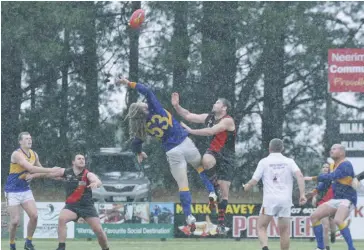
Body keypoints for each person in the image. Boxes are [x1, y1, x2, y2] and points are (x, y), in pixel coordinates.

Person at [116, 77, 216, 232]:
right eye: (142, 104)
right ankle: (211, 191)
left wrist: (140, 152)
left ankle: (189, 215)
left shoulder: (141, 126)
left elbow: (136, 142)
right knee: (200, 168)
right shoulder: (154, 108)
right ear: (144, 109)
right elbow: (147, 91)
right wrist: (129, 83)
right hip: (185, 142)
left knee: (183, 185)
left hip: (172, 152)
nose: (144, 103)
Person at [172, 92, 235, 234]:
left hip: (228, 157)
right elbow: (188, 115)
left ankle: (221, 224)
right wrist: (177, 106)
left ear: (224, 108)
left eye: (217, 103)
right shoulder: (209, 117)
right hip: (213, 152)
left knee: (224, 195)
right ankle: (215, 188)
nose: (214, 104)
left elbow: (211, 131)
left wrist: (191, 131)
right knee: (205, 160)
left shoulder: (228, 120)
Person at [28, 154, 109, 250]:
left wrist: (96, 183)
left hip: (87, 206)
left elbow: (97, 180)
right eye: (79, 158)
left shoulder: (88, 174)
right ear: (73, 162)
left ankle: (106, 248)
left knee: (98, 230)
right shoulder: (66, 172)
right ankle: (61, 247)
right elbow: (48, 174)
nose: (82, 160)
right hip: (72, 206)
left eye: (83, 159)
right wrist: (33, 175)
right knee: (62, 219)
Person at [243, 138, 307, 250]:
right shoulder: (289, 161)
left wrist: (246, 187)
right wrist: (302, 194)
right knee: (284, 232)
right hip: (285, 200)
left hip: (270, 200)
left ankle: (265, 247)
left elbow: (254, 181)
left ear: (269, 148)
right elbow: (300, 176)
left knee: (261, 227)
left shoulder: (264, 162)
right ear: (282, 148)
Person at [4, 132, 63, 250]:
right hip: (12, 191)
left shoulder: (34, 154)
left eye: (30, 138)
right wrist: (51, 170)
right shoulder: (17, 154)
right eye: (26, 139)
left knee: (34, 216)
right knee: (15, 221)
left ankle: (28, 243)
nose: (29, 140)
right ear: (20, 142)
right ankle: (12, 244)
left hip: (25, 190)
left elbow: (40, 171)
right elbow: (30, 169)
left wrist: (53, 175)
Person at [305, 144, 357, 250]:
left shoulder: (346, 164)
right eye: (331, 148)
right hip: (336, 199)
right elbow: (327, 181)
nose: (331, 150)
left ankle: (352, 248)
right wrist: (314, 192)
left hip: (348, 199)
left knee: (338, 220)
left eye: (334, 149)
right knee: (314, 216)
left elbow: (332, 176)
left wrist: (312, 178)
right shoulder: (333, 165)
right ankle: (320, 248)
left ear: (342, 152)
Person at [306, 163, 336, 249]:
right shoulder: (321, 178)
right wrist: (314, 197)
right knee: (325, 227)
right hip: (322, 203)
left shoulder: (331, 177)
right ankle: (326, 247)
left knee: (332, 224)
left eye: (327, 167)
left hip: (333, 203)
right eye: (323, 167)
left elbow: (320, 187)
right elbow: (318, 188)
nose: (325, 168)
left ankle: (333, 233)